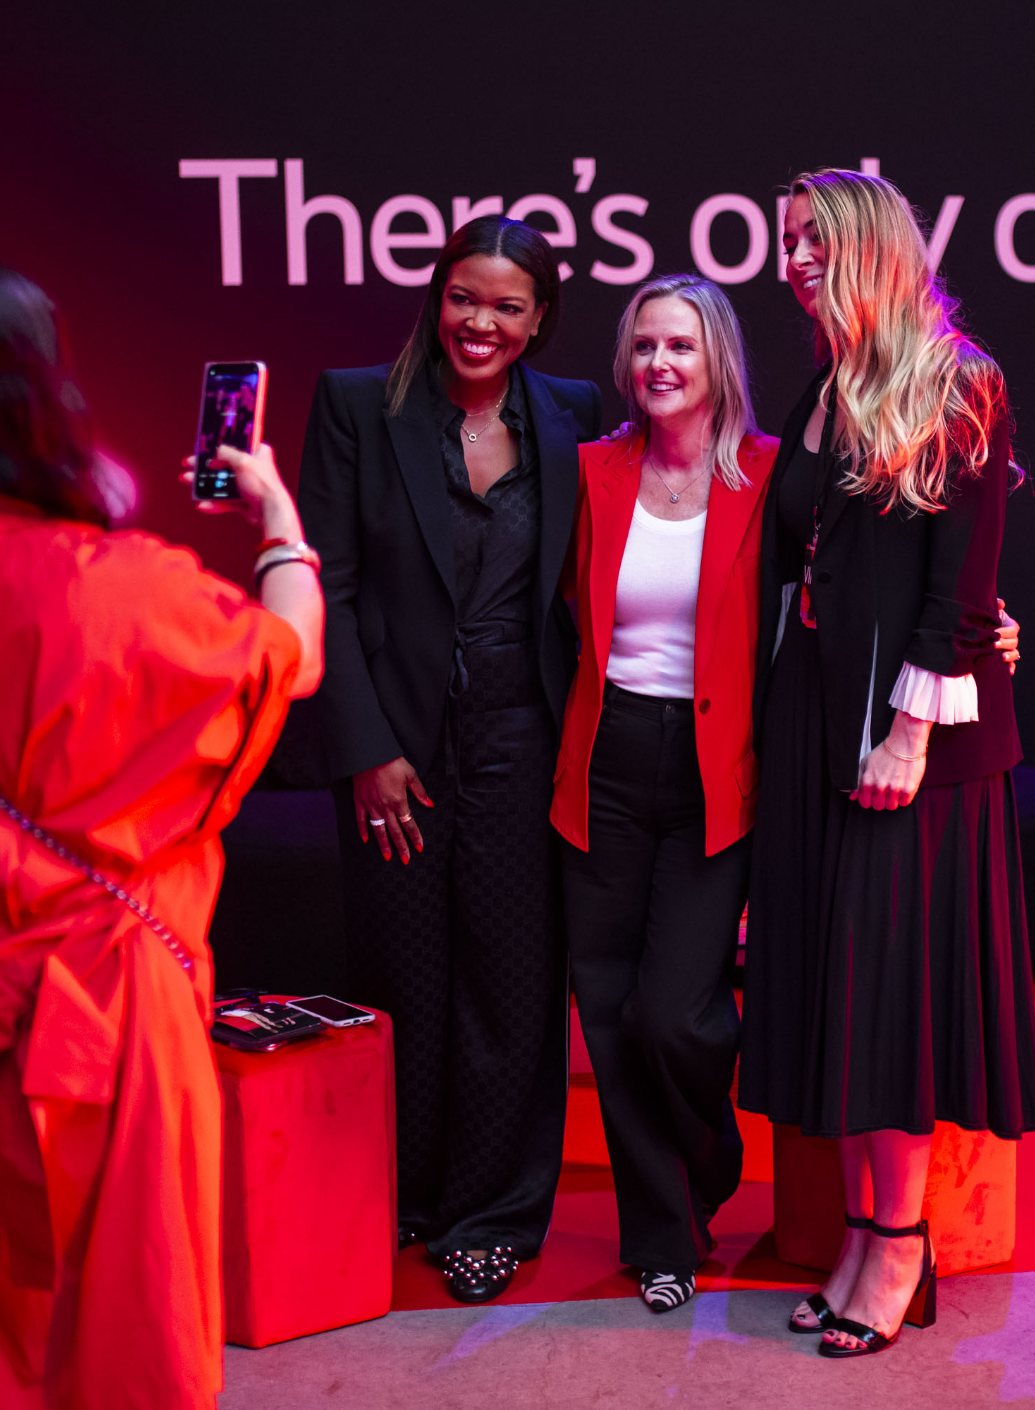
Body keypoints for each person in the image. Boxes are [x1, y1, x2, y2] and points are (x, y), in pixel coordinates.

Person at [0, 269, 324, 1409]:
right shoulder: (116, 593)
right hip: (105, 1012)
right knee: (120, 1311)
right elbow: (288, 656)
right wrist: (276, 517)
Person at [737, 170, 1035, 1358]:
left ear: (873, 245)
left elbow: (960, 589)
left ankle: (902, 1244)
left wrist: (909, 732)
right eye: (785, 244)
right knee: (846, 1003)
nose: (793, 261)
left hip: (907, 749)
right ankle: (870, 1237)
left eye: (812, 240)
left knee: (891, 1010)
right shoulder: (823, 387)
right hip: (823, 731)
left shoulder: (961, 382)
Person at [297, 215, 601, 1302]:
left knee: (516, 985)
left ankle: (496, 1213)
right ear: (437, 298)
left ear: (540, 320)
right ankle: (405, 1197)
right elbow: (319, 586)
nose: (481, 322)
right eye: (464, 297)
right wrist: (366, 750)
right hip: (397, 747)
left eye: (507, 306)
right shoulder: (355, 406)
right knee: (406, 977)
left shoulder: (574, 416)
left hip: (528, 741)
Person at [551, 275, 777, 1312]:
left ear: (718, 357)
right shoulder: (592, 470)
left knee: (676, 1012)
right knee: (605, 1005)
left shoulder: (771, 475)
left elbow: (865, 573)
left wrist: (980, 625)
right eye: (644, 347)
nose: (659, 366)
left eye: (680, 346)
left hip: (714, 766)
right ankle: (663, 1234)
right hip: (603, 756)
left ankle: (712, 1158)